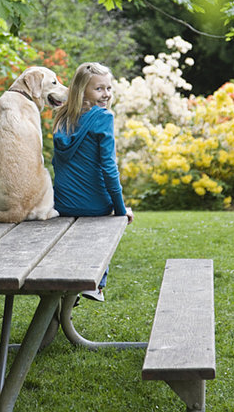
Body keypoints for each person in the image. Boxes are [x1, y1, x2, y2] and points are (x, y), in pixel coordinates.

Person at [52, 62, 133, 302]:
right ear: (82, 91)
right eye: (99, 89)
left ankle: (70, 287)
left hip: (62, 203)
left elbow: (58, 164)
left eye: (109, 88)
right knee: (110, 220)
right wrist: (119, 210)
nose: (106, 94)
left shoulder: (62, 117)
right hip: (95, 206)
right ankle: (94, 283)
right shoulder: (103, 117)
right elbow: (109, 168)